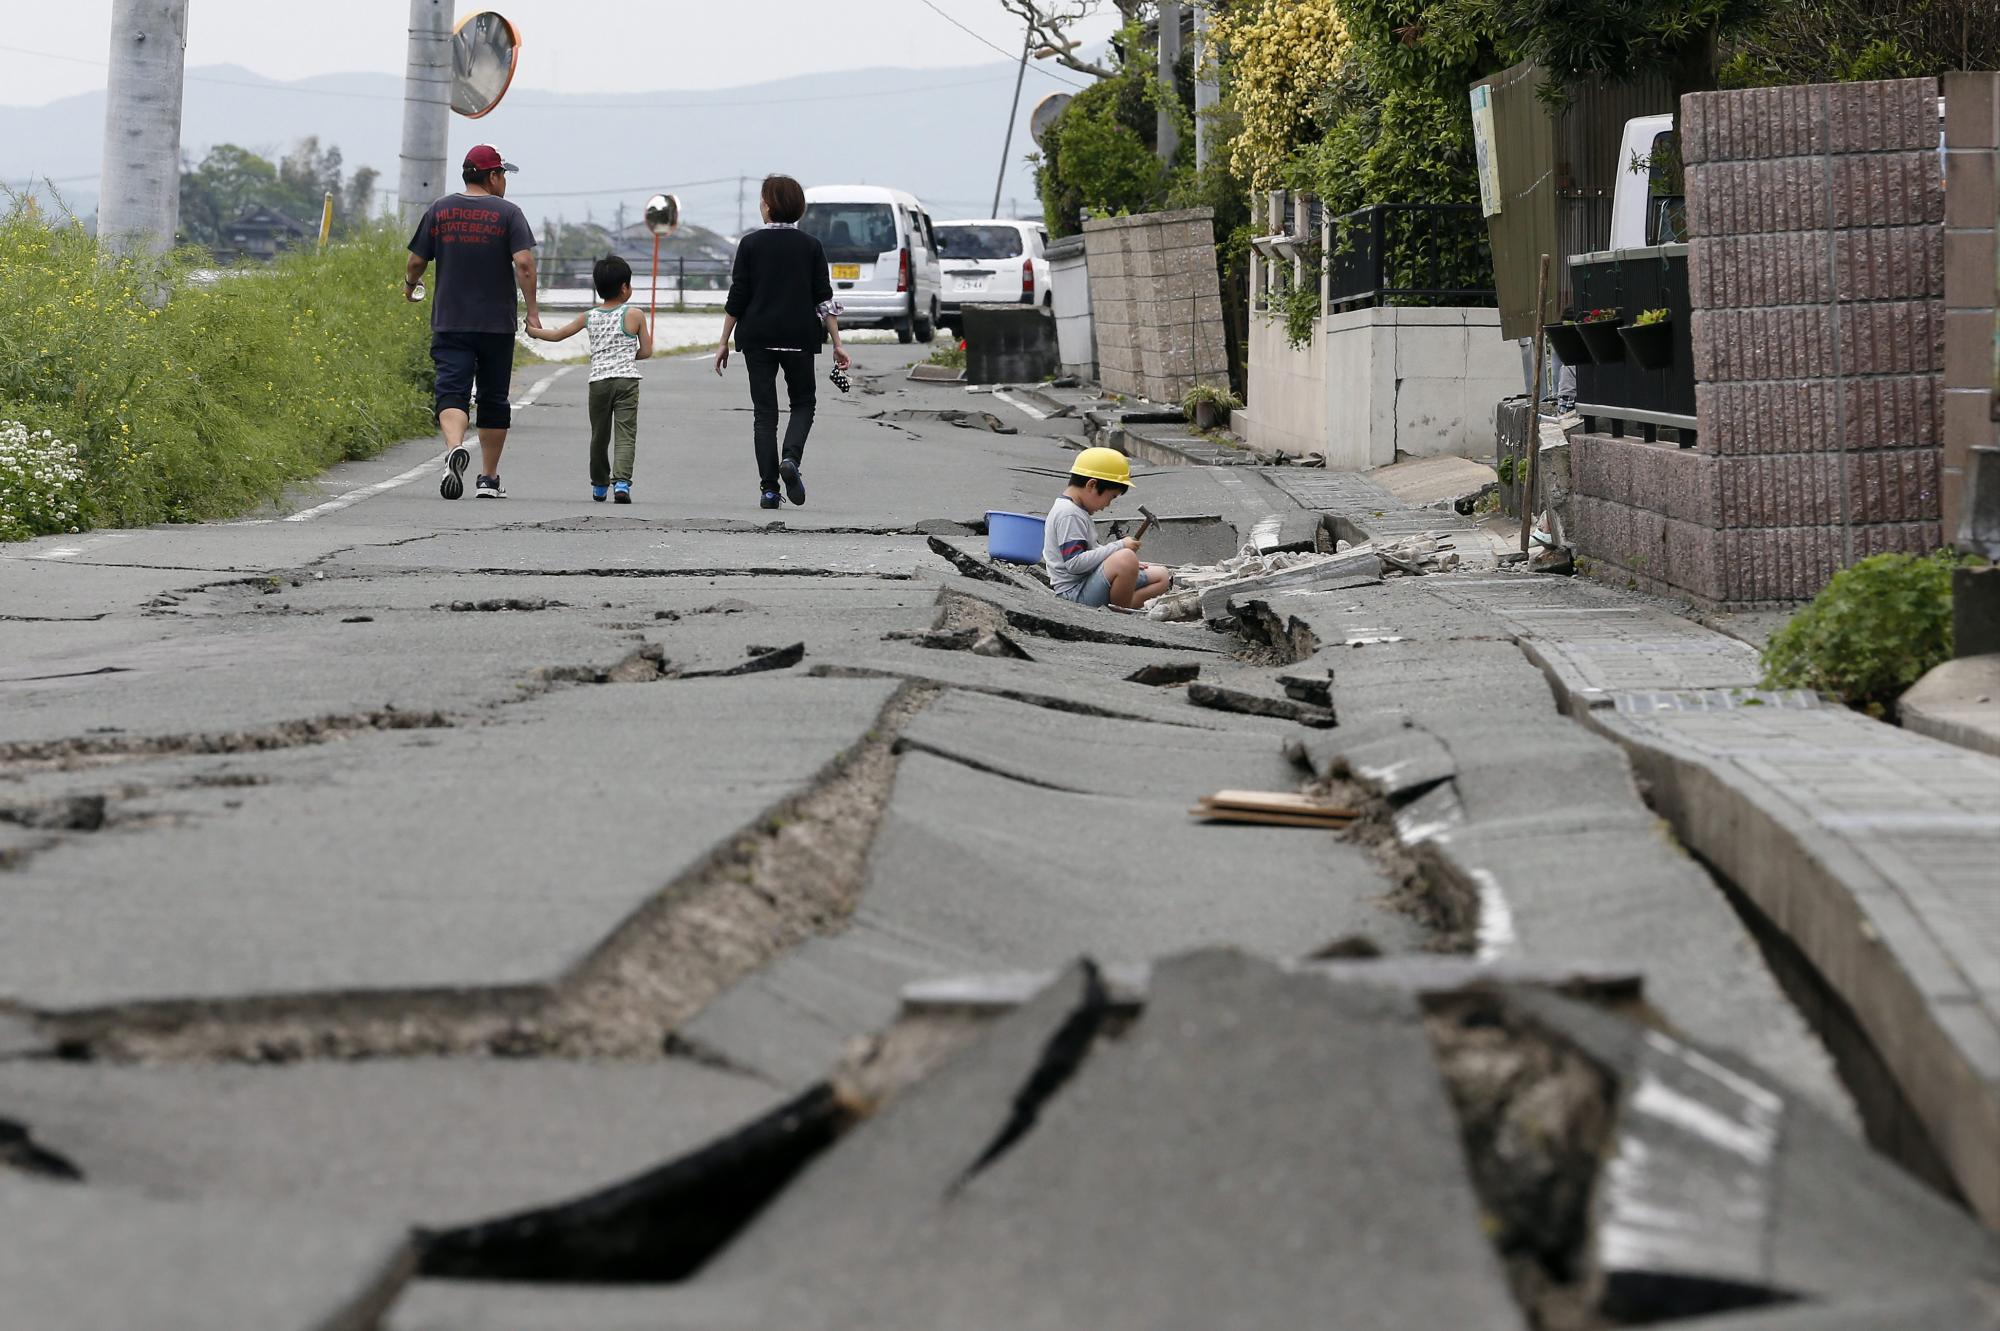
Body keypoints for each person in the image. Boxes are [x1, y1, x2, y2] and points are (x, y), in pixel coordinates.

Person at [405, 144, 540, 499]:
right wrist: (533, 312)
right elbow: (524, 264)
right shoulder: (509, 214)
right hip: (496, 325)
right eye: (503, 174)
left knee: (452, 391)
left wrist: (410, 285)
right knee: (494, 398)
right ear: (493, 176)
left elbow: (416, 262)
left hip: (451, 321)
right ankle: (488, 479)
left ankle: (454, 449)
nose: (504, 181)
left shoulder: (440, 210)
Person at [714, 174, 851, 510]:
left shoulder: (750, 245)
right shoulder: (811, 246)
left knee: (765, 414)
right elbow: (823, 299)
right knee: (803, 403)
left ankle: (769, 491)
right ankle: (790, 459)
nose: (760, 204)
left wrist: (723, 341)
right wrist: (837, 343)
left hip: (757, 337)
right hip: (799, 337)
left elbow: (738, 296)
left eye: (762, 199)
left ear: (769, 205)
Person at [524, 255, 653, 502]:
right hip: (627, 381)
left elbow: (558, 335)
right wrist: (626, 356)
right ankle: (622, 484)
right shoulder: (635, 315)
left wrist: (533, 331)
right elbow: (646, 351)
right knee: (625, 434)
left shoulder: (589, 316)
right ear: (624, 287)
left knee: (599, 435)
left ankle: (600, 485)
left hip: (599, 382)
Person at [1044, 448, 1171, 609]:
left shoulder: (1076, 510)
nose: (1108, 505)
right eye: (1111, 497)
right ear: (1092, 485)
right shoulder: (1069, 514)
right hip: (1074, 593)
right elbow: (1074, 563)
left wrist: (1123, 564)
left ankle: (1123, 607)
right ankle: (1119, 615)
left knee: (1162, 576)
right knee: (1126, 558)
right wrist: (1120, 547)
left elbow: (1090, 553)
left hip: (1088, 582)